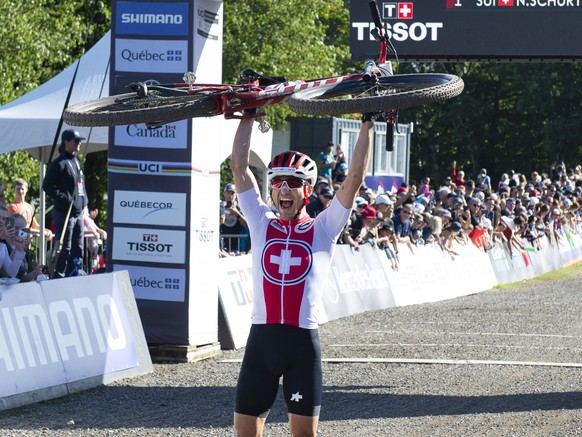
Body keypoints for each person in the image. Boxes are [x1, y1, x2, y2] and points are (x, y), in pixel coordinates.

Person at [230, 112, 375, 436]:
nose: (284, 188)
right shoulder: (260, 221)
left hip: (301, 347)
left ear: (307, 190)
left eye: (293, 182)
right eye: (278, 181)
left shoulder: (324, 227)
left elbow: (354, 178)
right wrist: (249, 114)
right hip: (261, 343)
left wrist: (367, 123)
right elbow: (239, 166)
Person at [42, 129, 88, 278]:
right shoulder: (58, 163)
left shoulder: (76, 160)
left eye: (80, 141)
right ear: (66, 142)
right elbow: (47, 185)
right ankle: (59, 275)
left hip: (78, 213)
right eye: (76, 141)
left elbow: (80, 184)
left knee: (78, 247)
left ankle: (75, 273)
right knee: (64, 247)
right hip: (64, 213)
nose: (79, 143)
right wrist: (65, 199)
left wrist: (84, 202)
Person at [219, 183, 249, 254]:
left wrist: (237, 214)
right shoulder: (219, 206)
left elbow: (247, 225)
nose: (230, 196)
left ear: (236, 195)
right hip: (222, 244)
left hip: (237, 246)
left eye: (232, 193)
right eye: (228, 193)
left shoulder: (240, 208)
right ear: (224, 194)